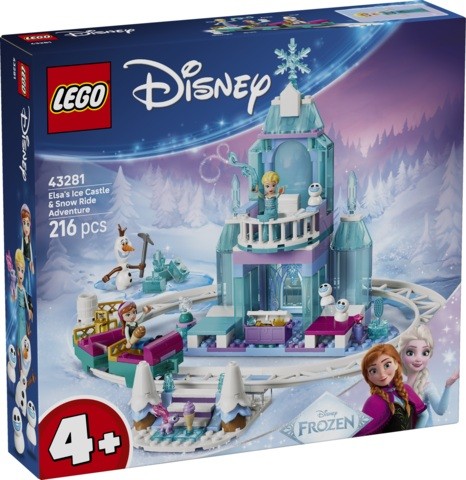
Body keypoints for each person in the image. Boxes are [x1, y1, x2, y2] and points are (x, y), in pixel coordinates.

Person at [355, 343, 427, 436]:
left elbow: (424, 415)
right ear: (368, 376)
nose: (382, 374)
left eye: (387, 365)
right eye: (373, 371)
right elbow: (362, 433)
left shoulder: (406, 389)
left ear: (396, 363)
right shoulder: (373, 402)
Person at [400, 324, 459, 427]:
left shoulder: (427, 387)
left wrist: (448, 386)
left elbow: (440, 410)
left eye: (425, 353)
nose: (418, 359)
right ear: (401, 355)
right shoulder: (399, 387)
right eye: (410, 352)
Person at [255, 171, 284, 241]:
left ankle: (273, 238)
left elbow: (279, 194)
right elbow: (261, 196)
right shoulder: (266, 195)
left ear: (276, 185)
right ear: (264, 186)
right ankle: (264, 238)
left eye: (273, 185)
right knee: (265, 225)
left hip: (272, 212)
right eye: (267, 186)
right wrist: (257, 191)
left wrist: (280, 192)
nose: (270, 188)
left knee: (272, 225)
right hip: (266, 212)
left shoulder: (275, 195)